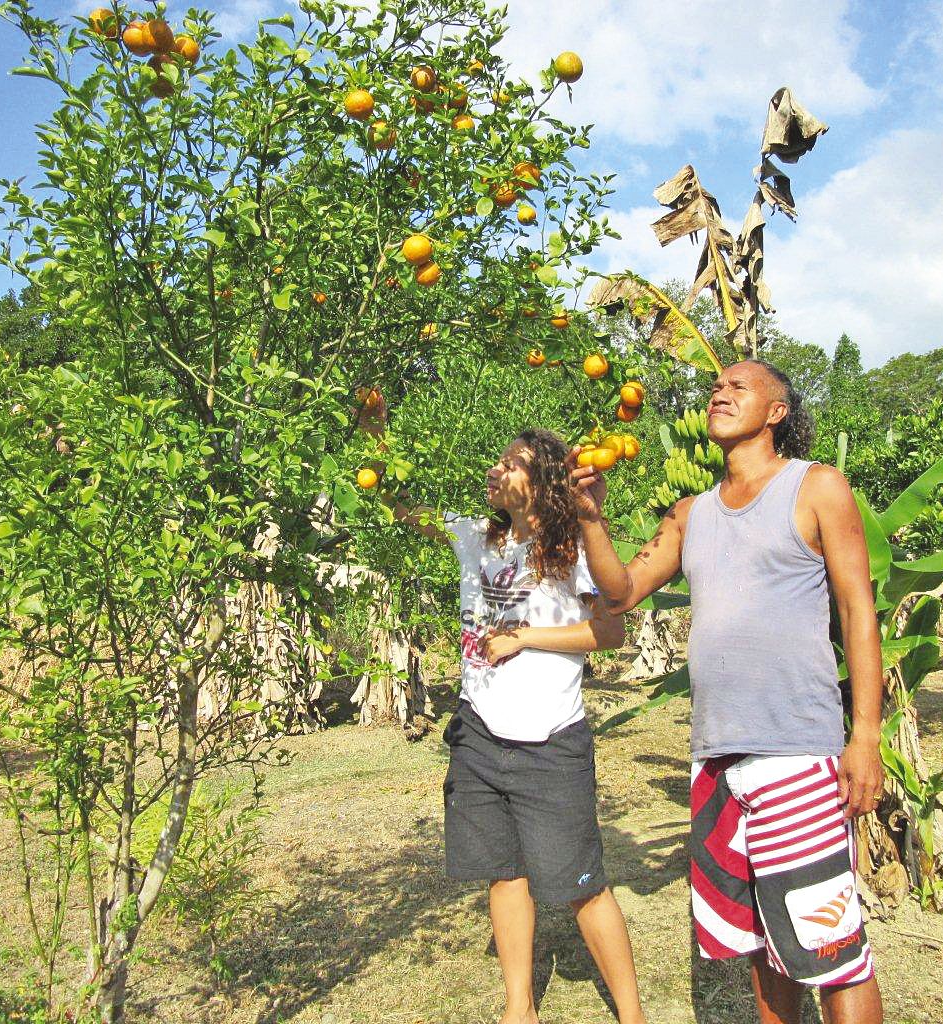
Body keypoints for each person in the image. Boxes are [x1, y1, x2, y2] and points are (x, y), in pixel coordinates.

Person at [570, 360, 884, 1024]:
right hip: (716, 760)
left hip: (796, 752)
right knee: (762, 944)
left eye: (738, 388)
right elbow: (621, 593)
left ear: (775, 412)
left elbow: (858, 609)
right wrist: (592, 520)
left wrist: (865, 735)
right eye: (714, 387)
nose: (719, 393)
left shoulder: (815, 487)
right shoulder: (689, 514)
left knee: (829, 948)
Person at [360, 397, 648, 1024]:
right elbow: (399, 506)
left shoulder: (570, 550)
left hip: (549, 743)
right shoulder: (478, 537)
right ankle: (519, 1007)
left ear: (542, 483)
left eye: (513, 463)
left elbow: (610, 635)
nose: (497, 470)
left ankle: (633, 1014)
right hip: (481, 740)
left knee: (580, 886)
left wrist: (525, 638)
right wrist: (376, 432)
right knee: (503, 871)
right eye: (498, 461)